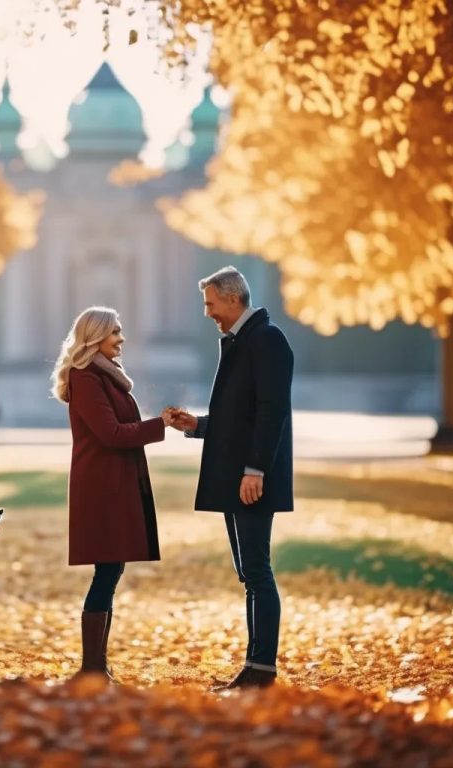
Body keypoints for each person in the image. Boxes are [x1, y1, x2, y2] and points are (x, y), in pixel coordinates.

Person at [168, 266, 294, 690]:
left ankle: (262, 668)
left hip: (252, 478)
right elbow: (236, 417)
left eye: (210, 303)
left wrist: (255, 468)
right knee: (250, 574)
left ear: (232, 298)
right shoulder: (244, 341)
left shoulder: (267, 340)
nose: (208, 313)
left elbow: (270, 410)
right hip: (240, 477)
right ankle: (255, 667)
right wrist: (197, 425)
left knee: (257, 571)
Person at [51, 306, 174, 680]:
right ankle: (91, 668)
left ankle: (97, 667)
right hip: (101, 486)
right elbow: (111, 434)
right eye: (115, 333)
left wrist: (160, 423)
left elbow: (122, 427)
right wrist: (160, 424)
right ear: (96, 336)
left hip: (112, 482)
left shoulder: (106, 375)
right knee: (106, 572)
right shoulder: (86, 377)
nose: (121, 339)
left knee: (111, 569)